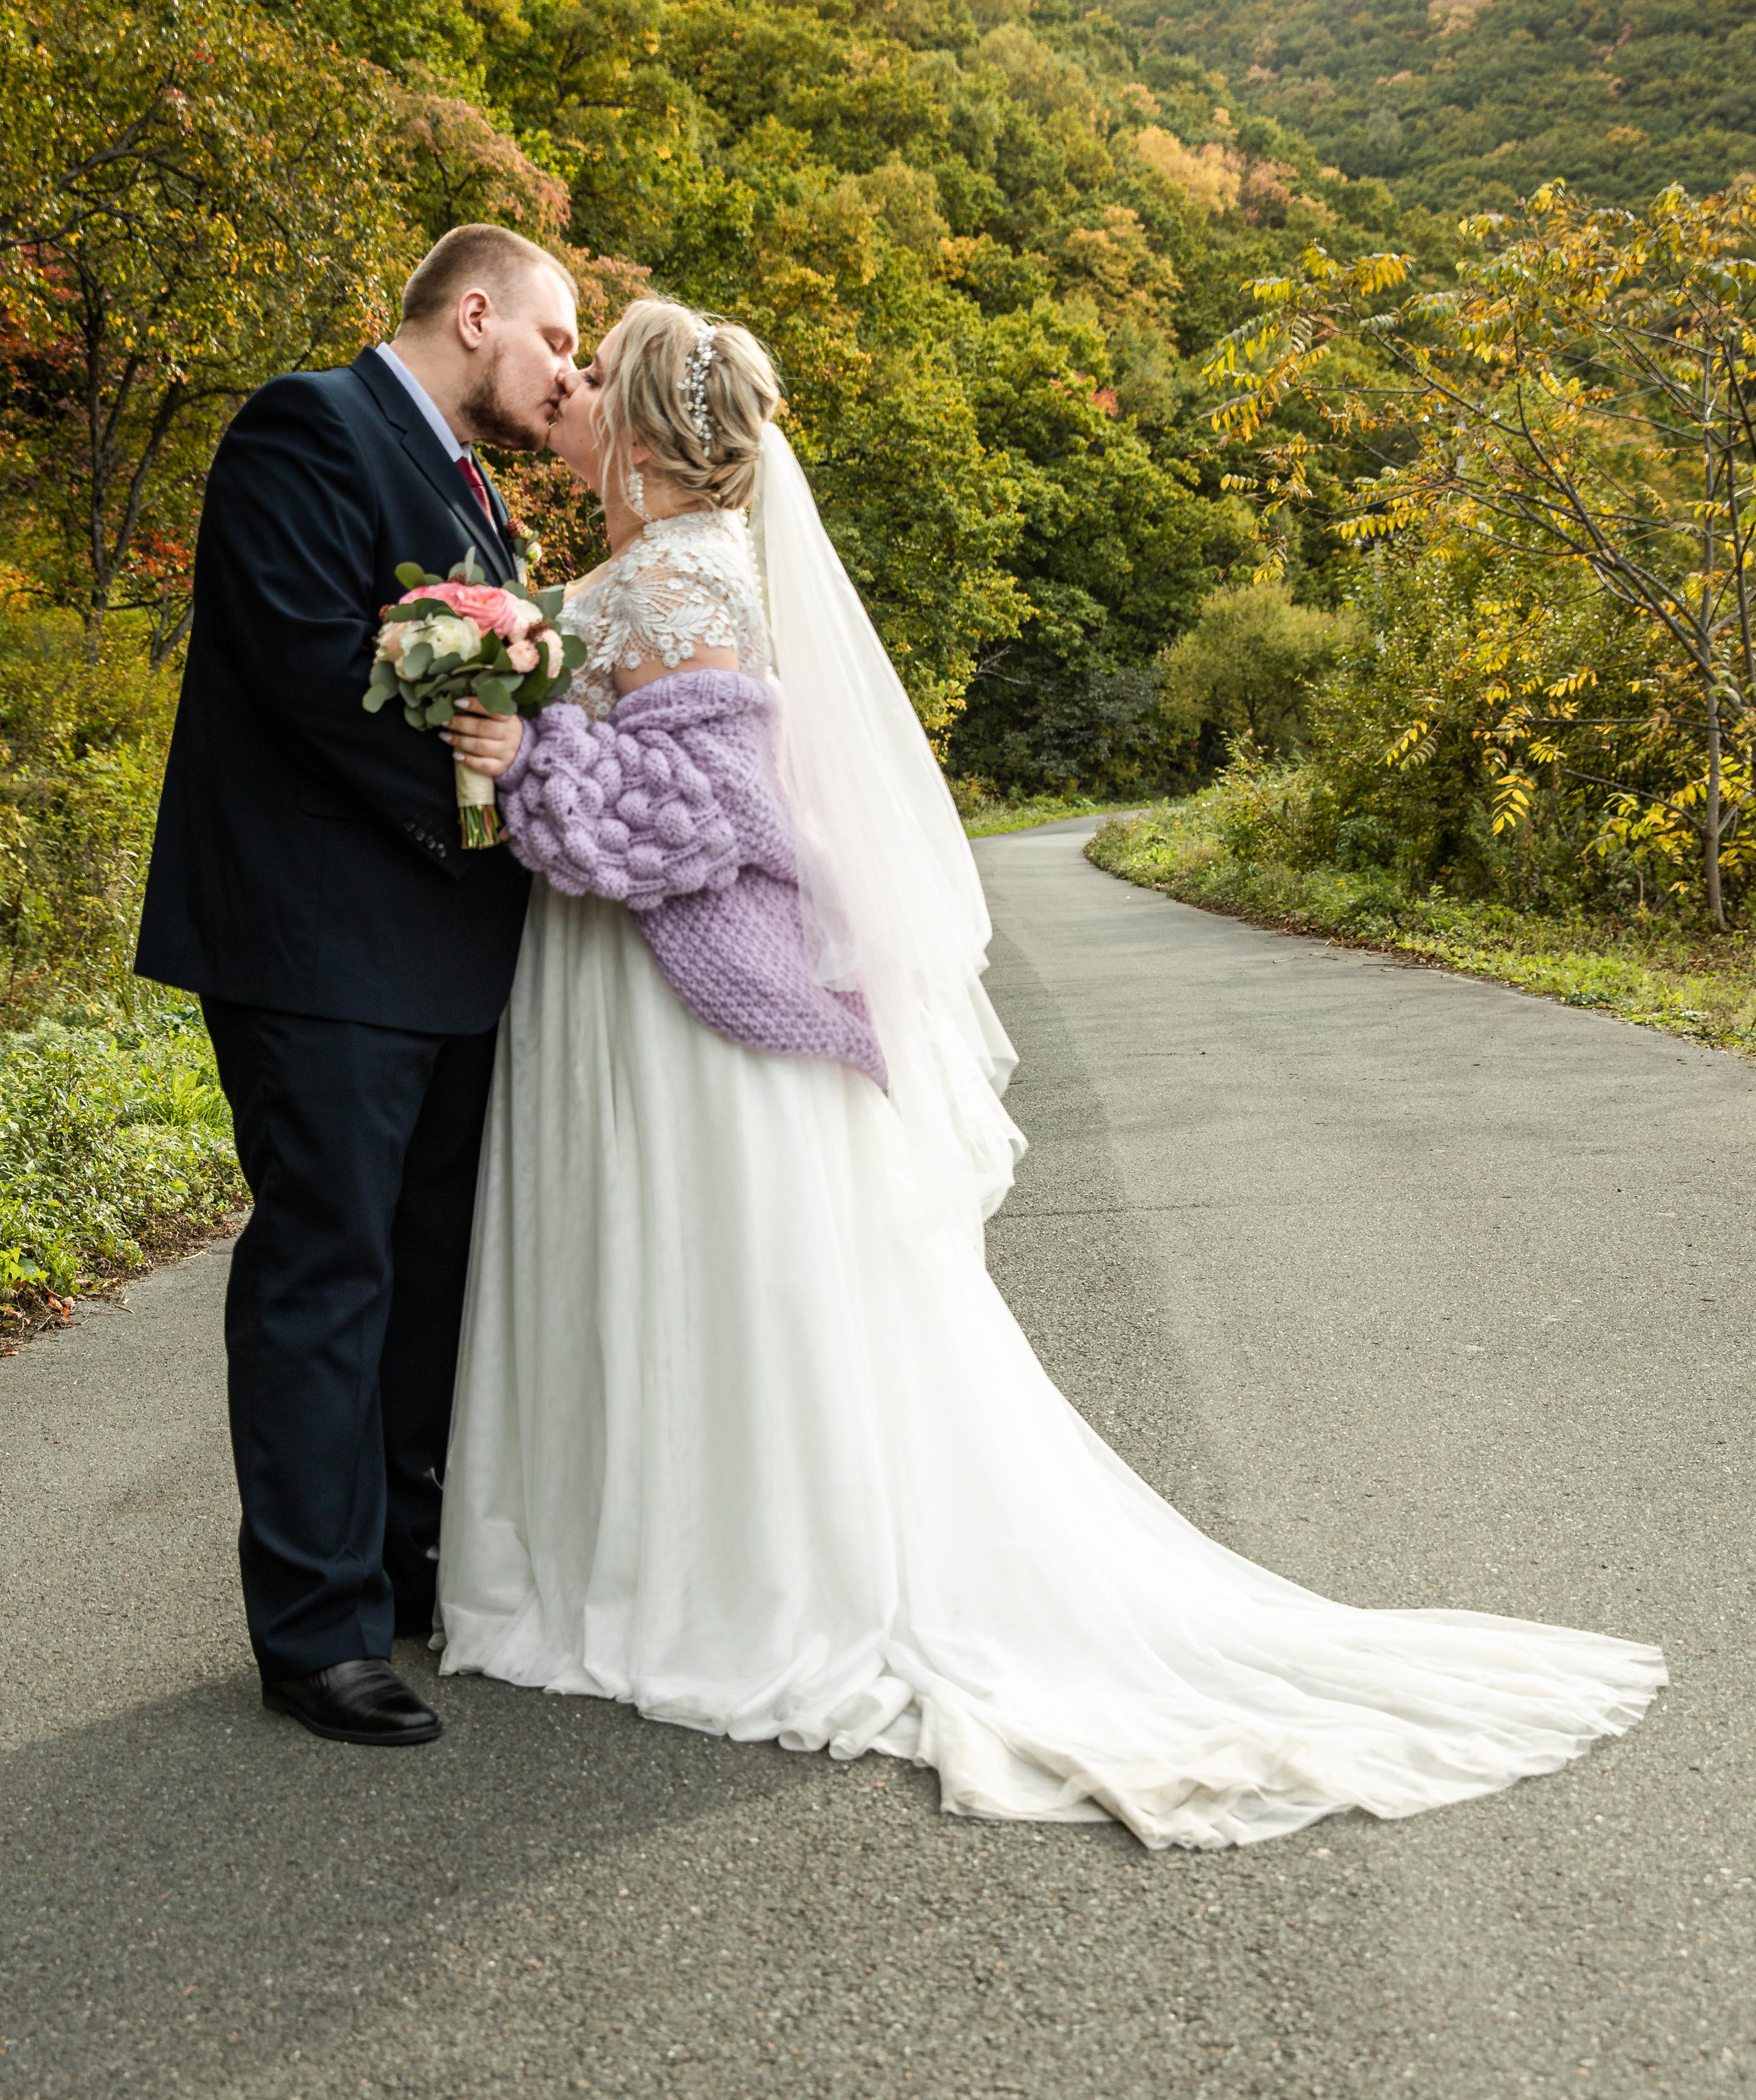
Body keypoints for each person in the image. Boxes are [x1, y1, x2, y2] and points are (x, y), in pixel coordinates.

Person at [436, 294, 1665, 1850]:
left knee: (699, 1272)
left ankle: (705, 1573)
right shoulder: (657, 567)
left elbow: (702, 812)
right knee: (683, 1275)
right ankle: (651, 1554)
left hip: (670, 997)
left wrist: (527, 754)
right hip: (610, 984)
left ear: (648, 430)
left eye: (596, 375)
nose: (577, 391)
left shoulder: (681, 571)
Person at [136, 223, 580, 1748]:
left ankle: (403, 1564)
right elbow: (307, 662)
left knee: (429, 1270)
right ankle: (312, 1629)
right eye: (556, 345)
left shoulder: (480, 495)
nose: (566, 376)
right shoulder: (304, 425)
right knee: (329, 1269)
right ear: (476, 314)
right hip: (315, 933)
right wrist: (486, 779)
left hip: (450, 943)